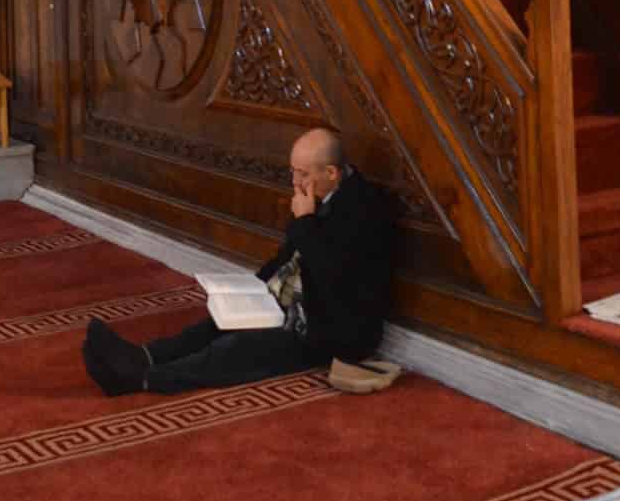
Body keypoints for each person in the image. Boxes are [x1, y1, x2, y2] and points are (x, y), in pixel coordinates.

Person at [82, 127, 395, 395]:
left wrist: (304, 222)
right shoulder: (317, 195)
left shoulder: (364, 212)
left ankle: (143, 379)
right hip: (298, 303)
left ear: (331, 173)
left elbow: (333, 276)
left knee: (239, 349)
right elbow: (289, 258)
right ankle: (143, 356)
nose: (294, 181)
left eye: (302, 173)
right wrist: (252, 291)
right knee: (219, 323)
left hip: (332, 329)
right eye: (292, 171)